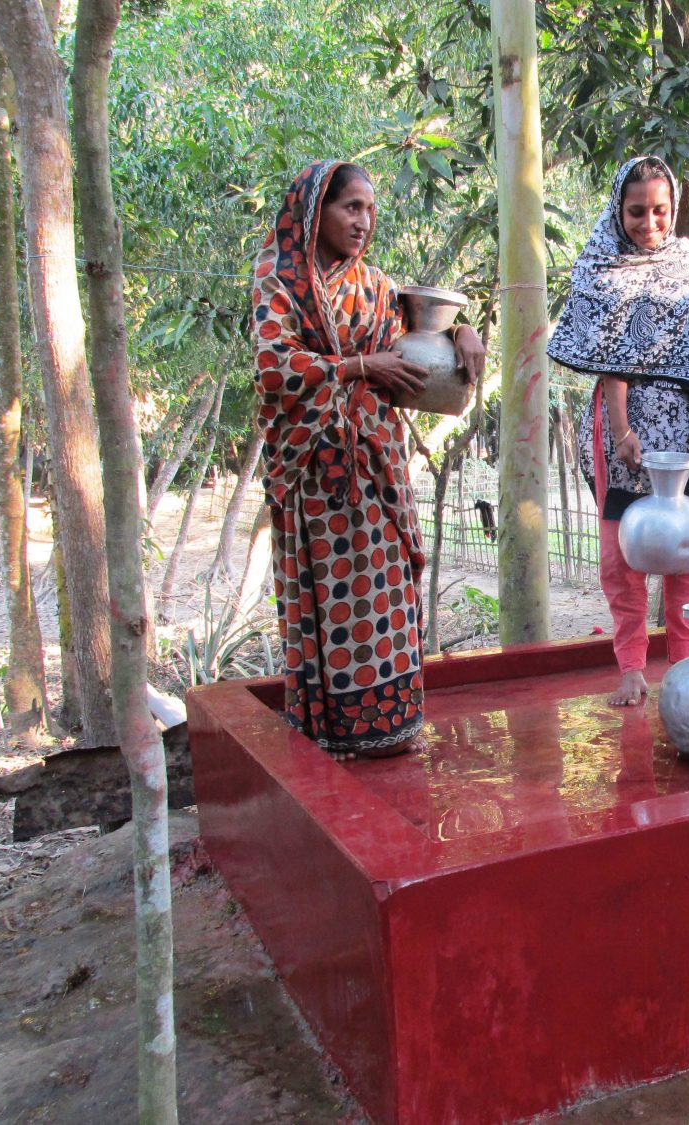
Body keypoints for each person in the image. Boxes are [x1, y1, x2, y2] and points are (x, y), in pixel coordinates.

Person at [252, 160, 485, 756]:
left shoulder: (378, 289)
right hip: (313, 477)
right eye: (350, 208)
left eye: (370, 210)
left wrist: (465, 332)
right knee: (329, 599)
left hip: (378, 470)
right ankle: (334, 732)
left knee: (385, 592)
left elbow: (426, 330)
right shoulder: (279, 283)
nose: (363, 222)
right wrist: (358, 366)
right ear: (314, 212)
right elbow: (274, 365)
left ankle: (390, 724)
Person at [548, 156, 689, 707]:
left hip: (684, 423)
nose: (650, 222)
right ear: (619, 208)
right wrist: (621, 429)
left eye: (660, 210)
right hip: (624, 419)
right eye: (637, 211)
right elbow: (610, 357)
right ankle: (631, 667)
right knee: (621, 554)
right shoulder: (601, 262)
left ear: (673, 209)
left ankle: (685, 665)